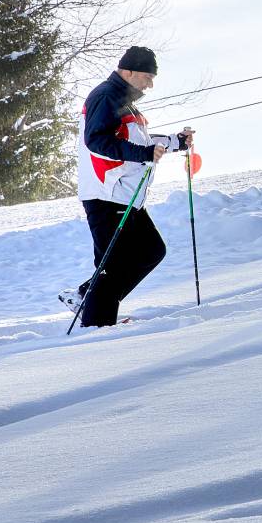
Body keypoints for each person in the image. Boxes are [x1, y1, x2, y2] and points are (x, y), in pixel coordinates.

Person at [69, 46, 192, 327]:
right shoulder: (105, 97)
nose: (150, 84)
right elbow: (97, 141)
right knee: (111, 266)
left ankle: (88, 296)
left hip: (125, 196)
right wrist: (143, 154)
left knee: (150, 250)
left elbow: (140, 140)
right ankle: (97, 326)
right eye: (147, 77)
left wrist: (176, 142)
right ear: (128, 71)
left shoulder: (124, 102)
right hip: (106, 194)